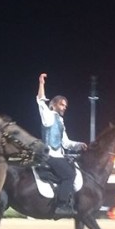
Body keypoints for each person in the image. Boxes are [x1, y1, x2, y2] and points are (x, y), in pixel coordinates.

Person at [37, 73, 87, 218]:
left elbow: (66, 143)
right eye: (62, 104)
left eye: (65, 105)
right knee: (70, 174)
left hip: (59, 155)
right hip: (49, 156)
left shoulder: (60, 122)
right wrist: (41, 84)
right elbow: (40, 101)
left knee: (74, 168)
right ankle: (61, 205)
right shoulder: (48, 115)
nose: (64, 107)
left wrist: (79, 145)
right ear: (53, 105)